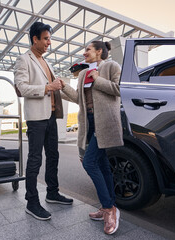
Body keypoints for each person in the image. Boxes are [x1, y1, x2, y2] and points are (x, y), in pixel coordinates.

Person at [60, 41, 123, 234]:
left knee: (89, 163)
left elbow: (119, 89)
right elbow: (79, 99)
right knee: (102, 164)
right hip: (89, 122)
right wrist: (63, 87)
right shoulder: (83, 73)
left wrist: (97, 79)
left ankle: (109, 208)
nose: (84, 52)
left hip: (105, 122)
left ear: (99, 51)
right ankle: (109, 205)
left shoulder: (111, 66)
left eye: (88, 49)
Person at [14, 22, 73, 221]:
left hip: (50, 117)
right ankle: (31, 202)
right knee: (35, 160)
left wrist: (58, 86)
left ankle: (52, 192)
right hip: (37, 119)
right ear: (35, 39)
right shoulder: (24, 59)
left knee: (53, 156)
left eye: (49, 38)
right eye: (46, 38)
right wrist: (48, 87)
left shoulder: (46, 62)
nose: (49, 42)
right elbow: (22, 88)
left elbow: (52, 86)